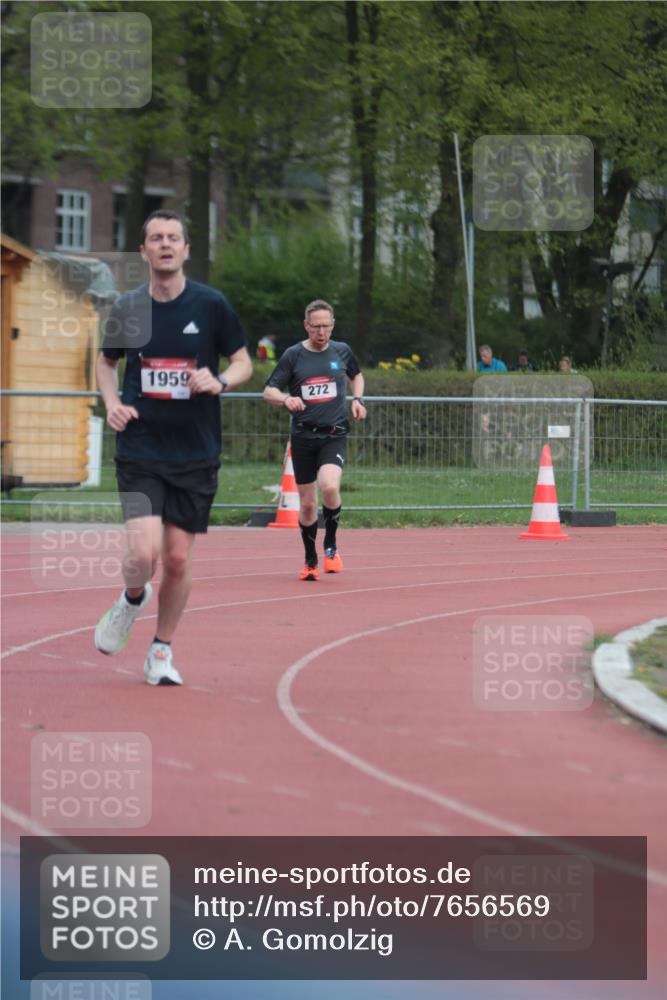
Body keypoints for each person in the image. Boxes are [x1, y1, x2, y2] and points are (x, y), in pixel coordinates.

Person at [94, 210, 252, 685]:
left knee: (178, 558)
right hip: (140, 447)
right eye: (156, 238)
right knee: (144, 552)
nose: (165, 245)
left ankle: (160, 650)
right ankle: (132, 598)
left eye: (174, 238)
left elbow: (243, 361)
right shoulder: (127, 308)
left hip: (194, 450)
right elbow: (106, 363)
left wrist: (219, 379)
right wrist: (112, 402)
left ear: (185, 250)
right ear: (143, 251)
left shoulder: (211, 305)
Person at [263, 299, 366, 581]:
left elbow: (357, 375)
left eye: (326, 326)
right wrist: (286, 398)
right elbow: (268, 391)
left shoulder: (342, 351)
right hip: (303, 437)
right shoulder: (293, 355)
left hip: (334, 434)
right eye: (316, 326)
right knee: (308, 505)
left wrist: (357, 400)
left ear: (332, 325)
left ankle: (331, 546)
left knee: (330, 486)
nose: (321, 332)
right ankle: (310, 559)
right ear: (306, 326)